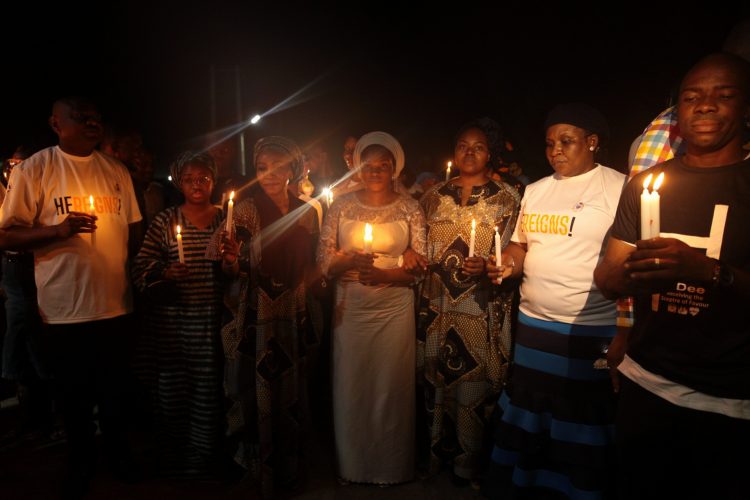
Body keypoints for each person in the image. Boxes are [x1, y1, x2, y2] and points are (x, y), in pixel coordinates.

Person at [594, 53, 750, 500]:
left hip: (730, 400)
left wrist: (706, 271)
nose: (704, 105)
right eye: (692, 97)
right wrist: (632, 276)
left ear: (746, 108)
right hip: (647, 385)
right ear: (676, 114)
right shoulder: (647, 183)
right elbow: (606, 277)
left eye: (723, 95)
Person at [481, 103, 626, 499]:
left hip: (590, 329)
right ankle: (525, 485)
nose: (555, 151)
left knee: (579, 417)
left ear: (592, 143)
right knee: (532, 412)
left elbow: (631, 266)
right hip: (534, 327)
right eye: (549, 143)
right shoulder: (536, 190)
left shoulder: (619, 188)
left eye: (567, 141)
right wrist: (507, 265)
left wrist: (626, 331)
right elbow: (519, 246)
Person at [0, 96, 142, 498]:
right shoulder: (35, 169)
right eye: (81, 118)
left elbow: (133, 233)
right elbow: (7, 234)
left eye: (97, 117)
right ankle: (80, 463)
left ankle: (119, 456)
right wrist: (57, 232)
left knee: (115, 392)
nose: (92, 123)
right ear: (56, 124)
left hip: (116, 303)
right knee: (74, 398)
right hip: (64, 310)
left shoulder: (116, 170)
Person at [408, 120, 520, 486]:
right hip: (437, 306)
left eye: (478, 147)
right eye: (462, 145)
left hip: (478, 307)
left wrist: (489, 265)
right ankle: (435, 456)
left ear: (491, 153)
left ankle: (469, 464)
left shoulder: (508, 198)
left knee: (472, 385)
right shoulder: (432, 196)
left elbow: (514, 254)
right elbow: (417, 246)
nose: (468, 153)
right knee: (435, 379)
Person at [208, 136, 320, 499]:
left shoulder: (306, 211)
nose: (268, 175)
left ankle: (289, 467)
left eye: (277, 167)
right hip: (256, 316)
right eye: (261, 168)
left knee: (289, 392)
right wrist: (229, 261)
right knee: (254, 391)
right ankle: (256, 468)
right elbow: (229, 267)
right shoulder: (243, 210)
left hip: (291, 313)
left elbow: (311, 265)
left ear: (291, 170)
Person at [317, 131, 426, 486]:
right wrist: (347, 258)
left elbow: (419, 268)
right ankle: (354, 465)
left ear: (395, 169)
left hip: (393, 309)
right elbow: (323, 264)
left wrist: (383, 273)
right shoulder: (341, 206)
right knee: (353, 385)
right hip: (351, 310)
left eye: (383, 165)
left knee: (389, 386)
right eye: (369, 165)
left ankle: (391, 467)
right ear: (358, 168)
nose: (376, 171)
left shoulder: (410, 207)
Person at [131, 151, 225, 477]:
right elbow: (141, 266)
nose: (196, 184)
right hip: (174, 323)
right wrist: (166, 272)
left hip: (212, 322)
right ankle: (172, 457)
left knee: (208, 393)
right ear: (178, 182)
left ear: (213, 180)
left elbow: (242, 267)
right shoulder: (165, 220)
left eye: (203, 178)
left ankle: (202, 460)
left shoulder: (226, 220)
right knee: (173, 392)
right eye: (189, 179)